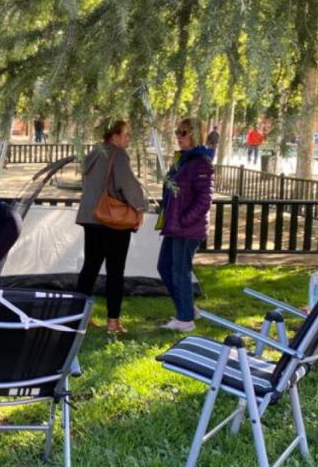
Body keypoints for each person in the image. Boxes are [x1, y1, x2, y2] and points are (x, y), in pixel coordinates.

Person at [74, 120, 148, 335]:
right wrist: (139, 208)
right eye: (126, 134)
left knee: (90, 268)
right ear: (114, 136)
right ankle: (113, 322)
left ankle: (79, 317)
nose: (128, 139)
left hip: (90, 218)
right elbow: (127, 185)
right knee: (115, 272)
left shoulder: (94, 154)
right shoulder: (119, 155)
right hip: (112, 221)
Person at [157, 117, 215, 332]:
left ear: (195, 135)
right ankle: (187, 308)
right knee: (164, 267)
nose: (178, 137)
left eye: (184, 133)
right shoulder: (183, 160)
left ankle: (185, 319)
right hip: (175, 225)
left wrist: (184, 219)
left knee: (180, 270)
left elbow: (204, 199)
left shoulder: (201, 162)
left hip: (187, 228)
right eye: (177, 132)